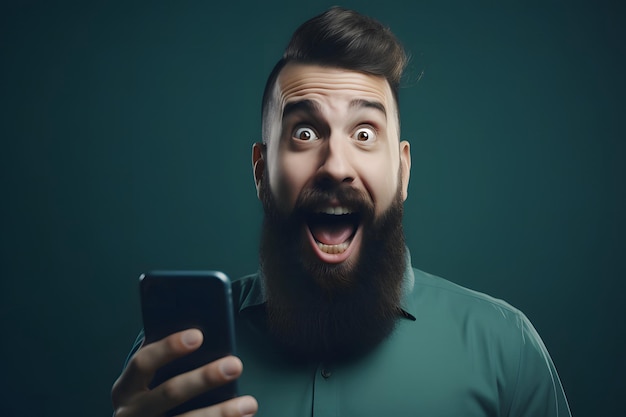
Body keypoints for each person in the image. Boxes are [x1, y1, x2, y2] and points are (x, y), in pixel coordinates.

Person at [112, 7, 571, 417]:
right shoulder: (175, 353)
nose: (335, 166)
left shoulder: (506, 349)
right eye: (305, 133)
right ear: (260, 172)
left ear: (403, 169)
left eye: (365, 133)